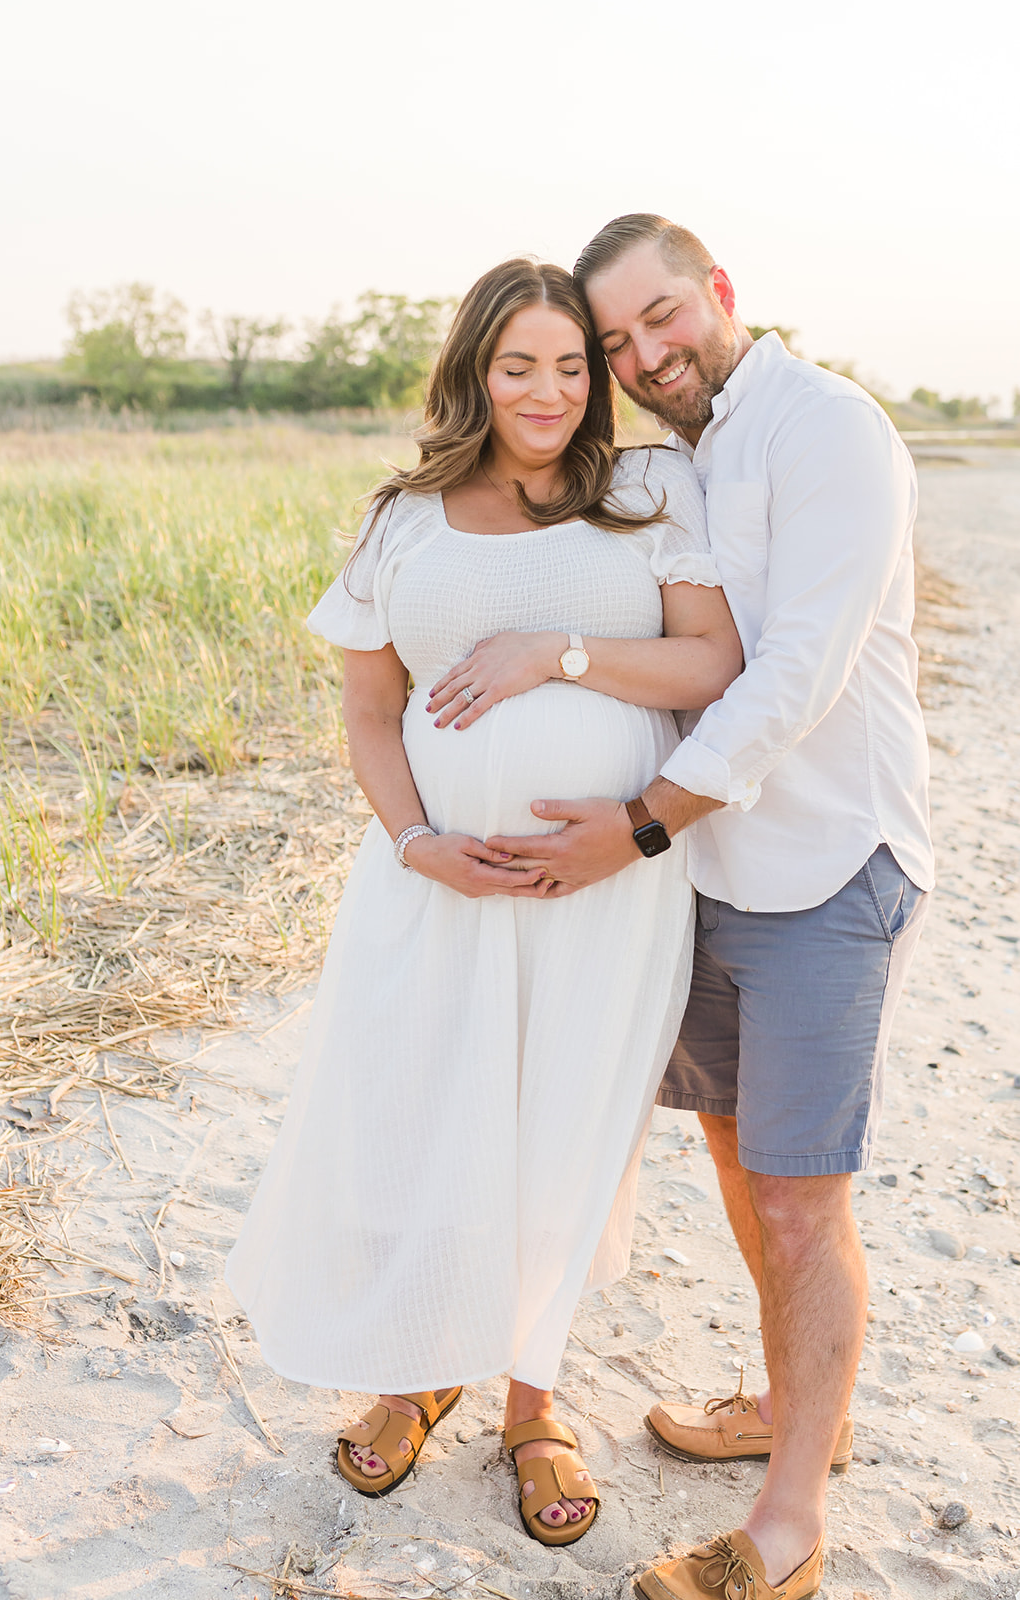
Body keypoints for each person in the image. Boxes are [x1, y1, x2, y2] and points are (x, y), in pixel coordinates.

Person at [224, 258, 742, 1548]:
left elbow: (713, 661)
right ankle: (413, 1371)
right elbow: (365, 712)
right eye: (520, 365)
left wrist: (558, 662)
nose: (551, 390)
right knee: (424, 1110)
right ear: (473, 370)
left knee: (560, 1126)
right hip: (435, 889)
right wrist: (418, 844)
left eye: (574, 365)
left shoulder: (648, 490)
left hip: (608, 885)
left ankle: (533, 1401)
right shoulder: (403, 515)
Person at [461, 219, 933, 1599]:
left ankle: (785, 1533)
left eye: (662, 317)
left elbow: (795, 673)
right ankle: (801, 1414)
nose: (643, 354)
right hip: (712, 880)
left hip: (825, 870)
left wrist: (646, 822)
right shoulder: (678, 457)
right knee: (740, 1164)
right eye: (615, 344)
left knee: (798, 1197)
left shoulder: (825, 430)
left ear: (718, 291)